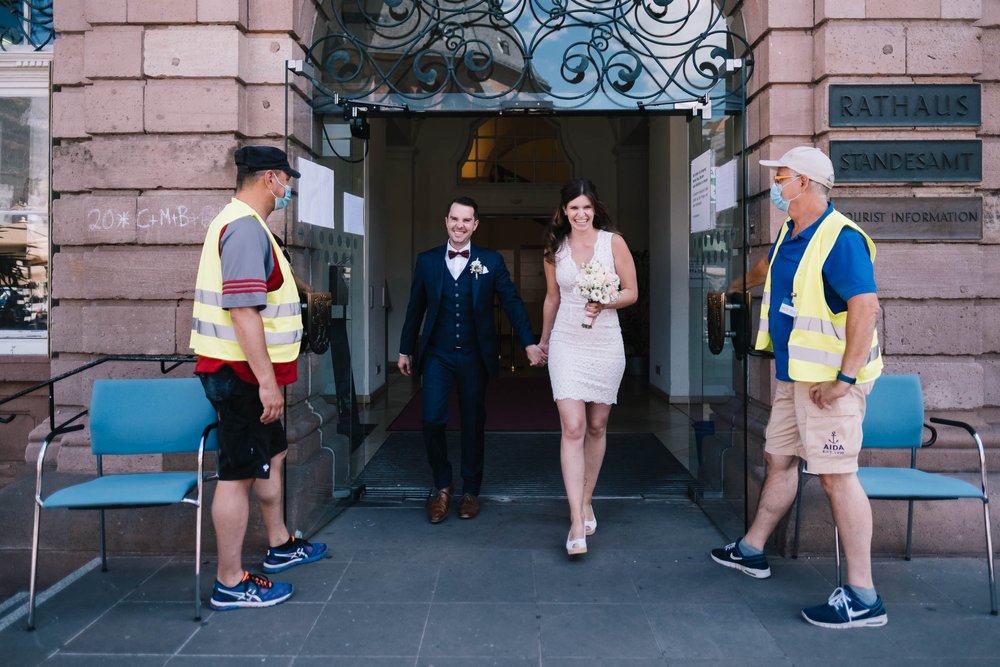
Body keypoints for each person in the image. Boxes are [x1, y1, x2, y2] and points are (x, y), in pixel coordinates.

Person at [710, 146, 886, 629]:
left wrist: (843, 381)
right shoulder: (792, 231)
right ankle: (752, 550)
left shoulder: (841, 239)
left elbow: (864, 310)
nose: (776, 187)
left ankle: (863, 594)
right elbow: (767, 273)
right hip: (793, 379)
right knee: (779, 458)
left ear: (804, 182)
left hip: (827, 387)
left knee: (835, 476)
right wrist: (730, 291)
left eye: (781, 178)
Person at [191, 145, 327, 611]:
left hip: (246, 372)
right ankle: (230, 582)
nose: (288, 188)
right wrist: (266, 383)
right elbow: (244, 310)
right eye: (286, 180)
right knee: (238, 474)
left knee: (274, 452)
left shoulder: (246, 226)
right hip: (241, 375)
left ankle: (280, 543)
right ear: (270, 178)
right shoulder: (246, 229)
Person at [398, 196, 547, 523]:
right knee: (431, 418)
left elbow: (512, 302)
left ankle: (470, 491)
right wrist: (405, 349)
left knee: (472, 422)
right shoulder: (427, 261)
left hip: (473, 356)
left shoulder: (490, 261)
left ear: (475, 224)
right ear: (446, 220)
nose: (459, 225)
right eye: (454, 219)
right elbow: (415, 309)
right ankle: (442, 485)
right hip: (437, 353)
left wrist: (529, 342)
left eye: (466, 220)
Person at [539, 179, 637, 557]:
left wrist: (606, 302)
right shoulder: (554, 249)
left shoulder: (613, 242)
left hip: (605, 340)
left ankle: (587, 499)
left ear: (596, 209)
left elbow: (632, 291)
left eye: (587, 208)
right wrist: (544, 341)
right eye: (574, 208)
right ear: (563, 210)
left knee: (597, 425)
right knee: (573, 426)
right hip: (566, 340)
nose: (581, 214)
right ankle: (576, 521)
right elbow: (552, 297)